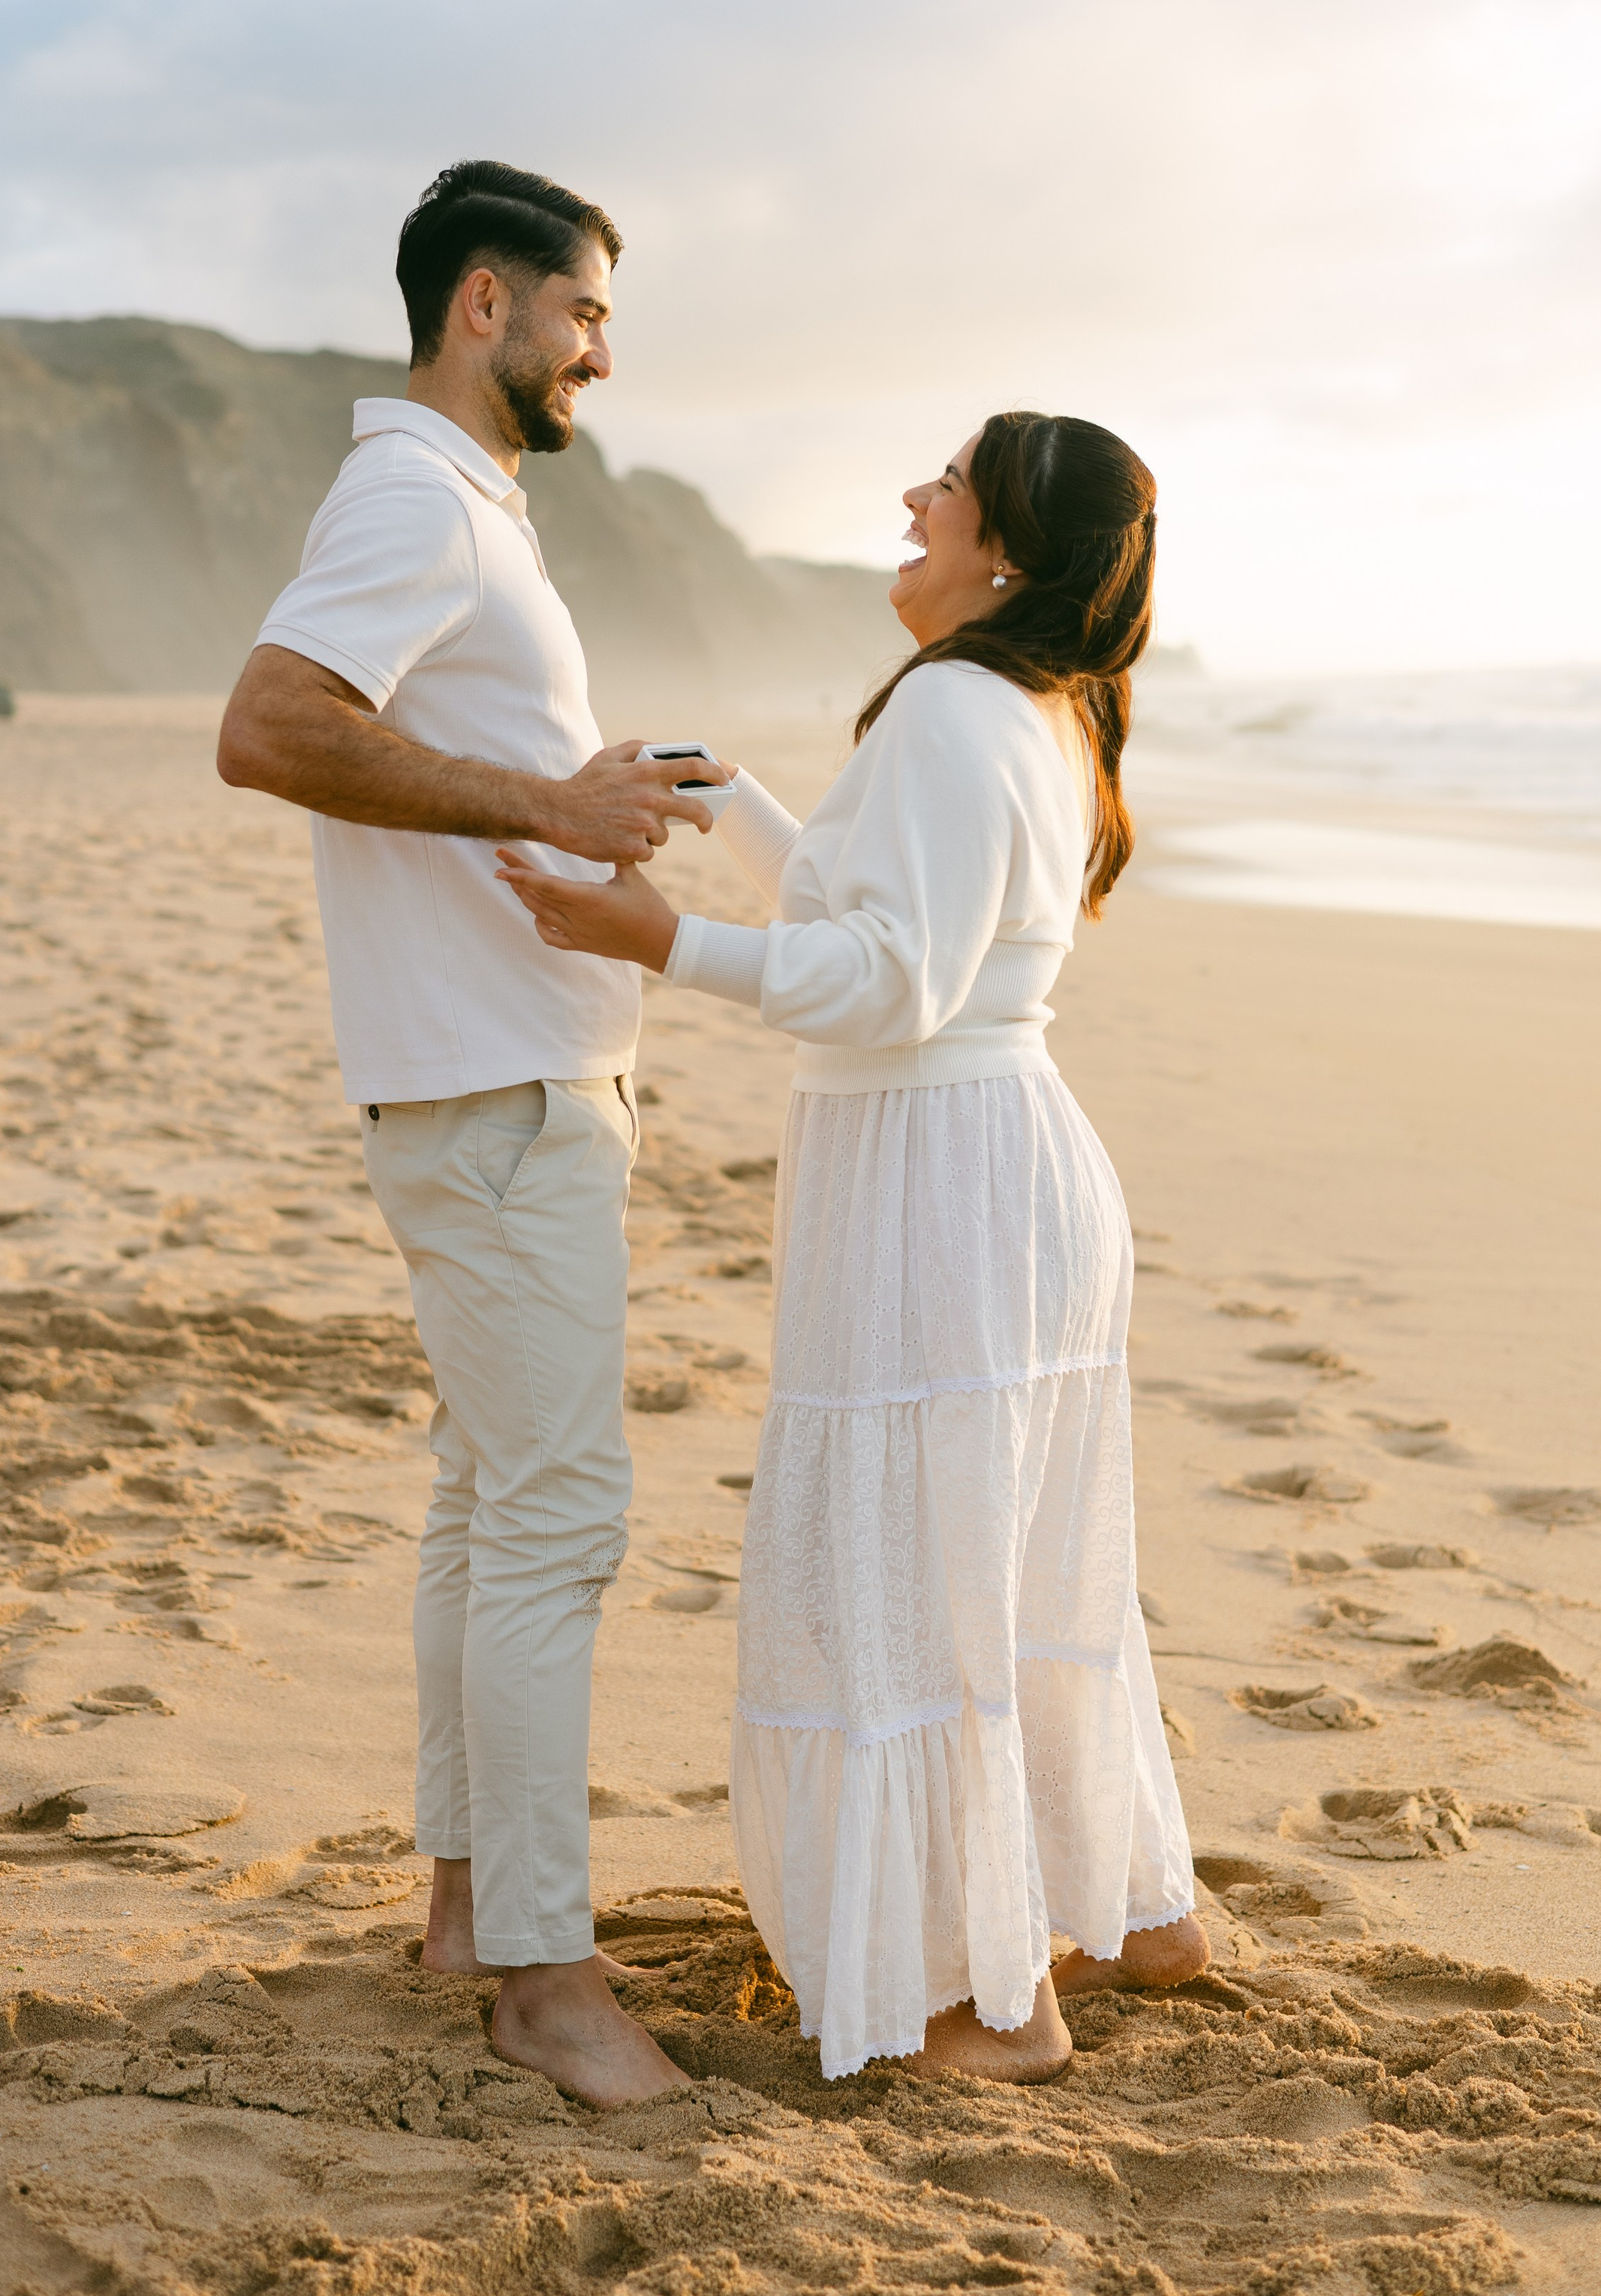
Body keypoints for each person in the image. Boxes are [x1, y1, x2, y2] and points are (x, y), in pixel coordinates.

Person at [497, 410, 1209, 2082]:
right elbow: (875, 906)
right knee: (1007, 1561)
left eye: (945, 487)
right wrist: (736, 802)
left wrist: (656, 938)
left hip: (943, 1184)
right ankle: (1126, 1907)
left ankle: (988, 2005)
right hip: (987, 1171)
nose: (910, 501)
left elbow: (891, 981)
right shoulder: (1021, 711)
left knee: (905, 1585)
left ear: (1006, 555)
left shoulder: (962, 712)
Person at [215, 159, 727, 2109]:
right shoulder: (417, 492)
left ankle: (465, 1905)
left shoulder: (467, 509)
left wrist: (572, 800)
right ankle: (541, 1976)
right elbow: (272, 726)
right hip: (497, 1093)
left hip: (492, 1077)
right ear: (488, 305)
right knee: (556, 1521)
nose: (606, 346)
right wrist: (557, 805)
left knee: (485, 1505)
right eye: (586, 310)